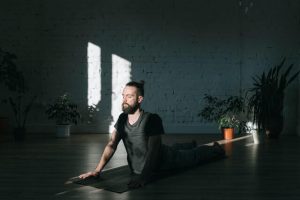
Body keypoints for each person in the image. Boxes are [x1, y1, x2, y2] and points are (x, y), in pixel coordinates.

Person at [79, 81, 225, 188]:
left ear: (139, 99)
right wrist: (97, 171)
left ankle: (215, 148)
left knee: (194, 155)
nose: (124, 100)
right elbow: (111, 145)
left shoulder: (152, 119)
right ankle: (188, 144)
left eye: (129, 97)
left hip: (167, 161)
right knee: (171, 147)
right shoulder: (122, 118)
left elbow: (154, 151)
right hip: (151, 159)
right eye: (123, 96)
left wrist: (143, 178)